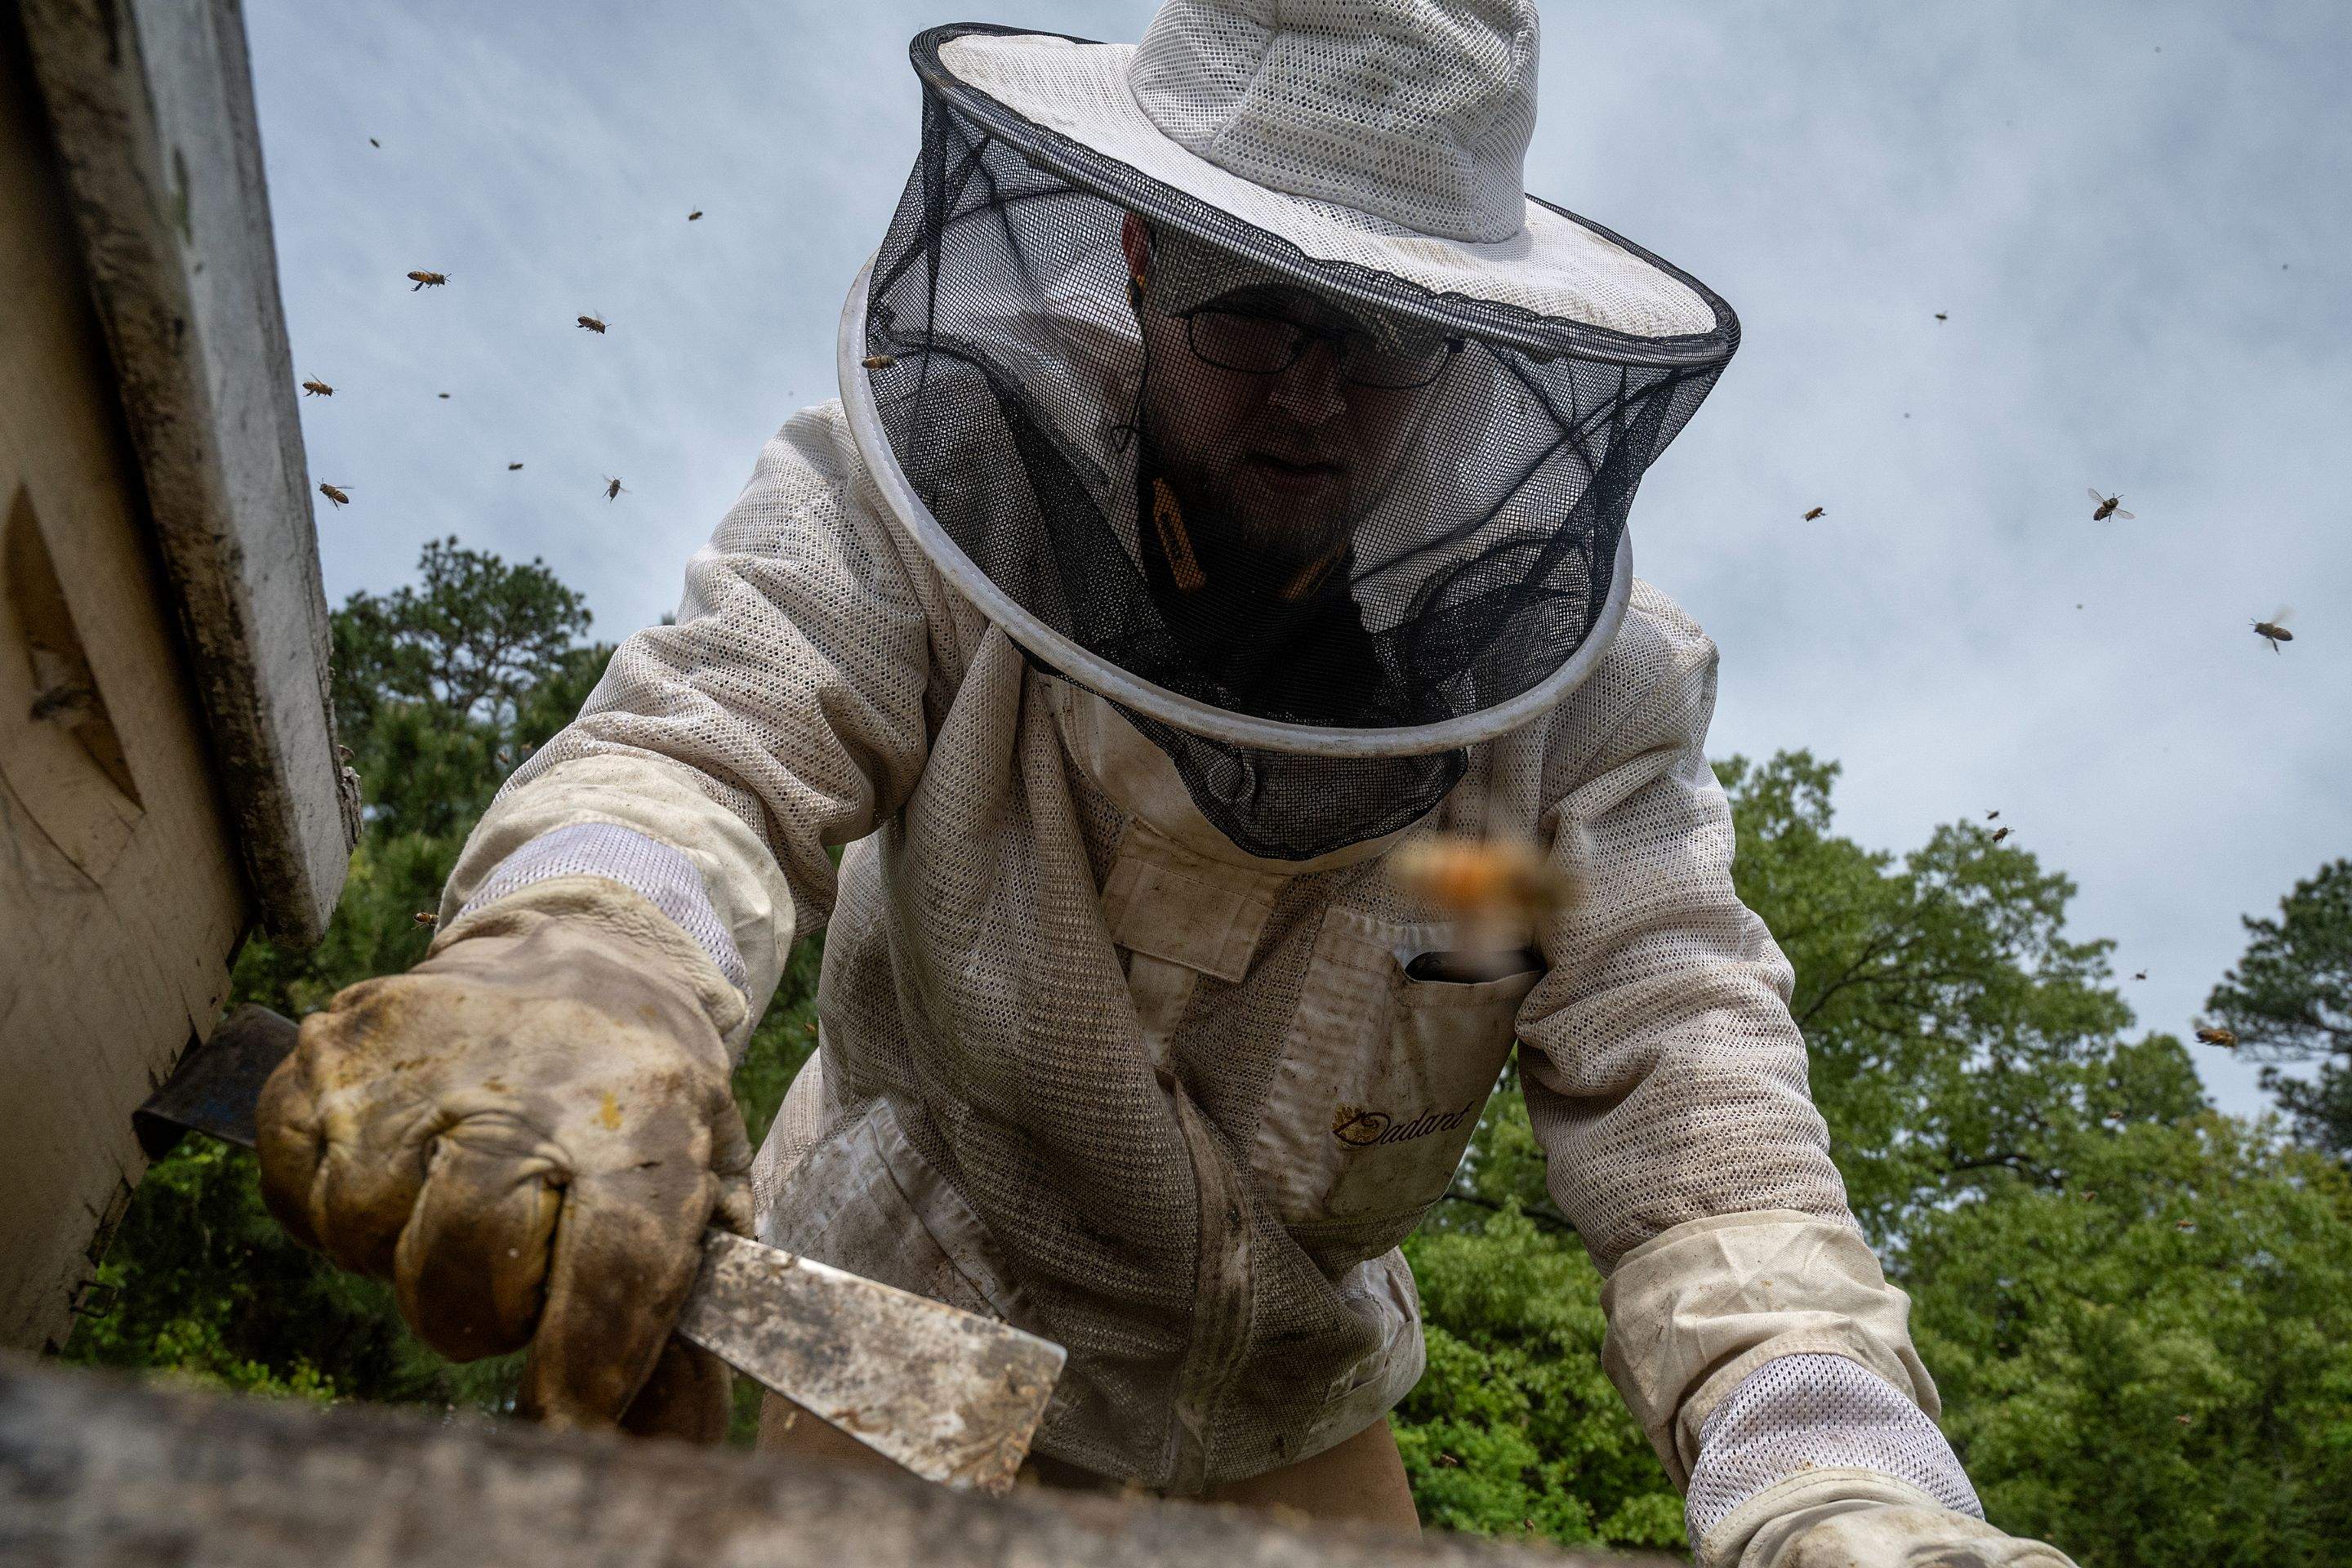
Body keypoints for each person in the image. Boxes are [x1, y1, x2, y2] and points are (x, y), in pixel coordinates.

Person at [255, 6, 2078, 1566]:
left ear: (1480, 340)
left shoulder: (1546, 735)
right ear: (1137, 254)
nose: (1313, 395)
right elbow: (712, 748)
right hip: (900, 1316)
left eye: (1383, 330)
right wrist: (578, 969)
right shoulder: (922, 515)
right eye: (1253, 311)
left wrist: (1837, 1473)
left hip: (1288, 1394)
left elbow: (1676, 1091)